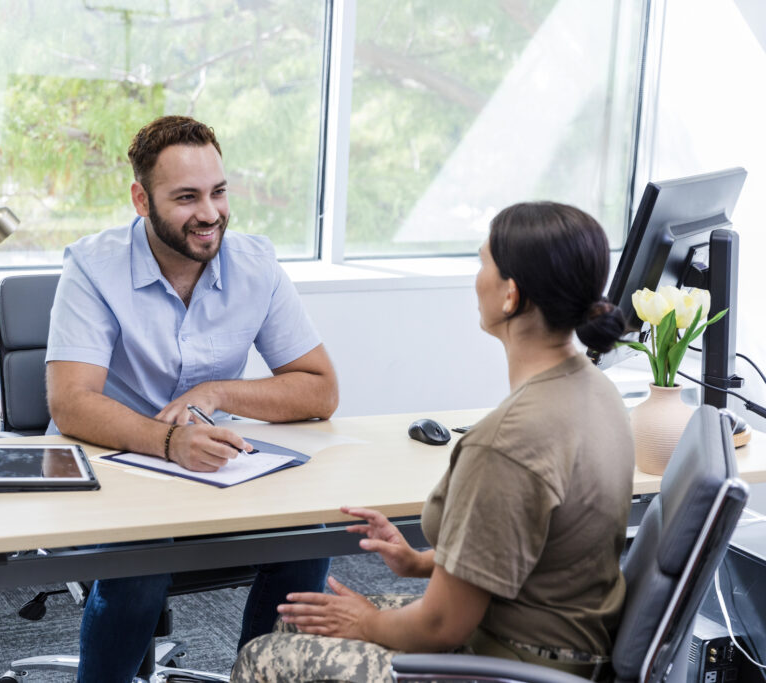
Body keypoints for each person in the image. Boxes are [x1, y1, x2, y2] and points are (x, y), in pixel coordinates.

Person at [232, 202, 633, 683]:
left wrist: (366, 624)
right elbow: (533, 549)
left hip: (510, 663)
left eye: (483, 262)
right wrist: (419, 561)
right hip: (564, 644)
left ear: (510, 295)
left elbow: (442, 626)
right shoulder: (597, 391)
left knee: (262, 658)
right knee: (292, 621)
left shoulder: (504, 444)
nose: (476, 276)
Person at [45, 115, 339, 683]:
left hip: (214, 467)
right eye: (186, 197)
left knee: (308, 539)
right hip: (118, 469)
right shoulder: (92, 267)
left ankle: (261, 674)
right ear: (140, 198)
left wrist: (216, 391)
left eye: (219, 192)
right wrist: (169, 440)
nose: (209, 213)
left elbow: (319, 388)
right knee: (140, 567)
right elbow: (71, 403)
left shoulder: (255, 263)